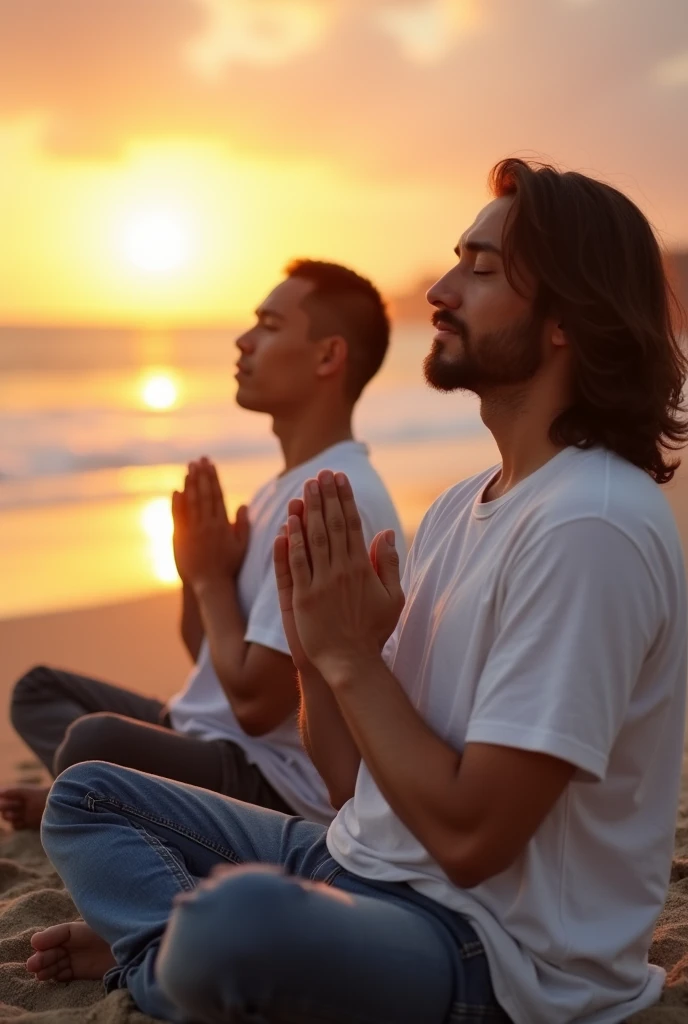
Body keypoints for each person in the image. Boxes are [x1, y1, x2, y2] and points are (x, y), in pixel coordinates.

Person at [29, 158, 688, 1024]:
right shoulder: (462, 507)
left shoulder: (589, 526)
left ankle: (162, 955)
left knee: (235, 924)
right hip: (354, 864)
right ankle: (169, 953)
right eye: (455, 262)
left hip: (487, 951)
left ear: (567, 319)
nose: (443, 289)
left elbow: (471, 840)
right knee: (87, 795)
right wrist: (320, 656)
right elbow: (354, 790)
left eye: (482, 271)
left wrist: (350, 656)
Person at [0, 259, 404, 830]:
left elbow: (256, 708)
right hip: (203, 734)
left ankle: (88, 801)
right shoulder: (279, 488)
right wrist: (192, 571)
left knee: (92, 739)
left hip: (272, 781)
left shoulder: (333, 498)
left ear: (327, 356)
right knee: (38, 690)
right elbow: (211, 663)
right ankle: (93, 797)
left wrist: (214, 580)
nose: (243, 341)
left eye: (268, 325)